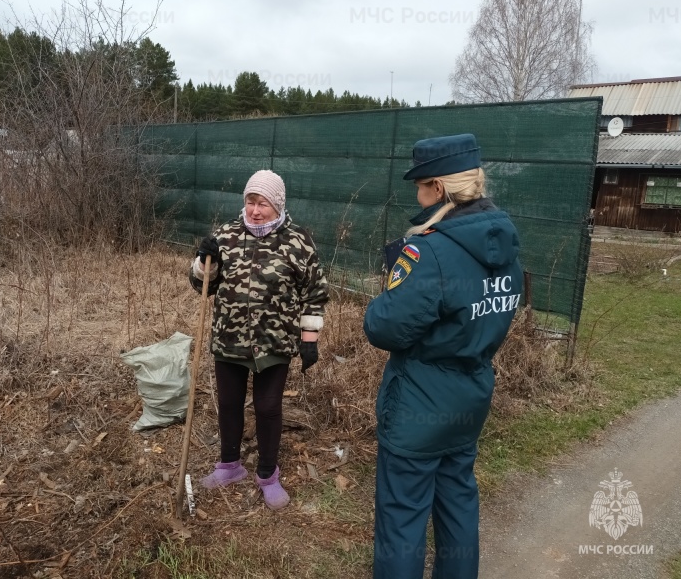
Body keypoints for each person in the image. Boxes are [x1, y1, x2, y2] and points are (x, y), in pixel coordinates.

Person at [364, 134, 523, 578]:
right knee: (458, 504)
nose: (417, 195)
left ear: (437, 188)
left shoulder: (428, 250)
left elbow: (383, 327)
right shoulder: (505, 243)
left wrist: (391, 288)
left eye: (419, 185)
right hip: (470, 395)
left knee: (402, 515)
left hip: (419, 402)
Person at [189, 169, 329, 510]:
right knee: (229, 404)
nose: (254, 210)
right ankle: (229, 466)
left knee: (268, 407)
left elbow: (315, 292)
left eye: (262, 203)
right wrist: (202, 262)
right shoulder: (225, 235)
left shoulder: (298, 241)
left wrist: (309, 338)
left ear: (277, 205)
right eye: (250, 202)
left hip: (275, 342)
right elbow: (201, 286)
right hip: (229, 339)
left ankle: (268, 474)